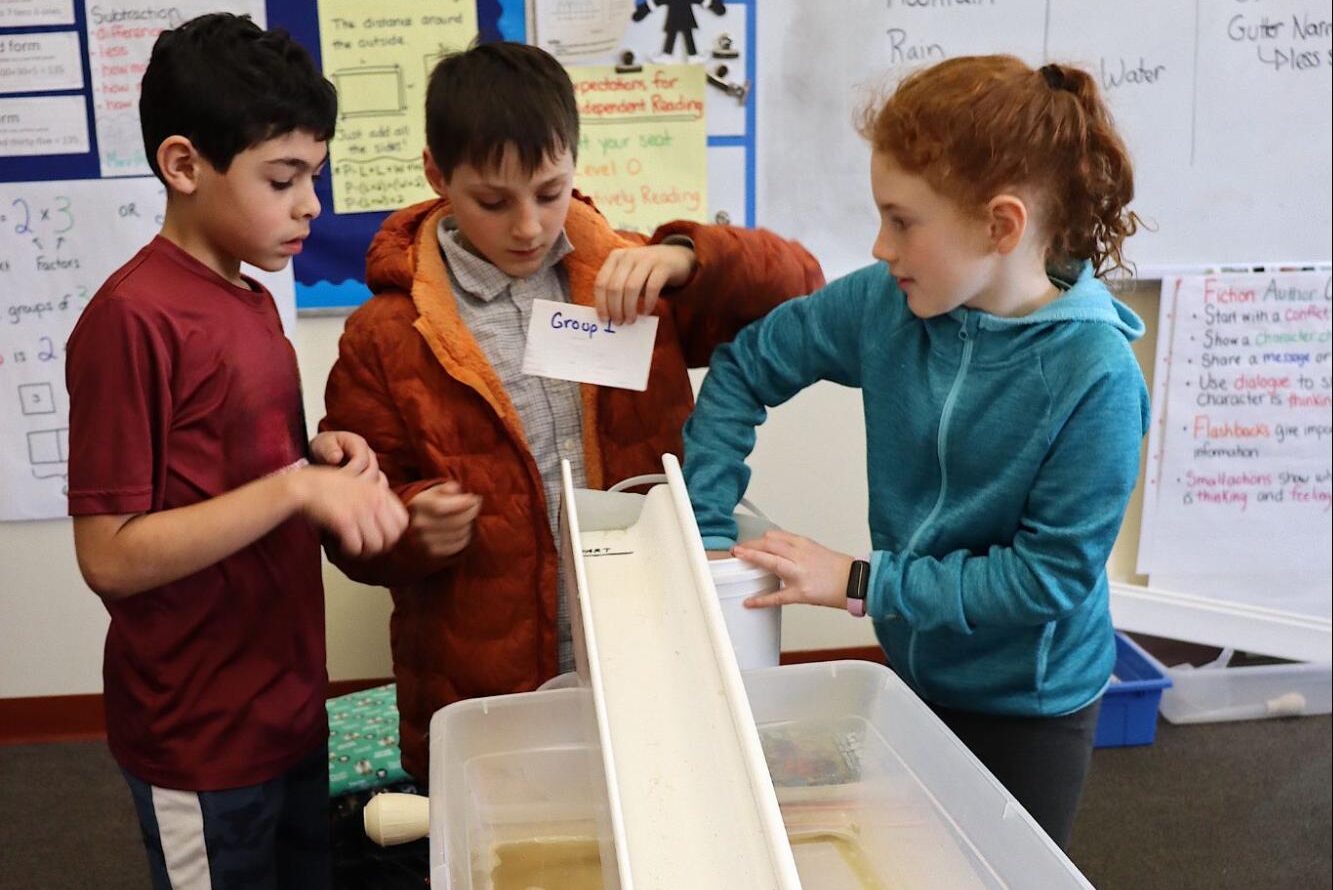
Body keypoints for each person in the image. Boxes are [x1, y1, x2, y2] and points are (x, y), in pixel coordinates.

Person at [320, 41, 823, 783]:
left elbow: (803, 296)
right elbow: (353, 524)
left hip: (642, 648)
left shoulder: (626, 274)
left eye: (551, 191)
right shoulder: (386, 336)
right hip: (486, 679)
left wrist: (692, 257)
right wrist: (408, 522)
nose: (528, 225)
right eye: (493, 201)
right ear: (436, 175)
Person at [682, 55, 1148, 849]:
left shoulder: (1093, 376)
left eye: (902, 220)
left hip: (1028, 708)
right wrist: (705, 530)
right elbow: (743, 368)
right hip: (910, 673)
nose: (879, 244)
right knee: (907, 858)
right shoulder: (884, 303)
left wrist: (859, 580)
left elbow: (1045, 578)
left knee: (996, 868)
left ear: (1000, 225)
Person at [65, 14, 408, 889]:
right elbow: (109, 555)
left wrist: (313, 457)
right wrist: (295, 491)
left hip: (287, 704)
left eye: (314, 177)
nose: (310, 206)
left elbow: (235, 470)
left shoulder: (252, 302)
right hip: (200, 734)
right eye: (283, 178)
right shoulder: (131, 321)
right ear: (184, 165)